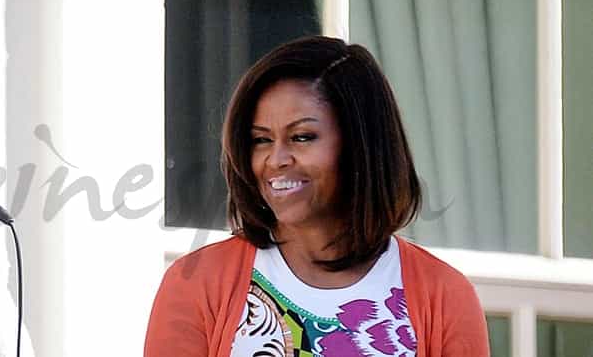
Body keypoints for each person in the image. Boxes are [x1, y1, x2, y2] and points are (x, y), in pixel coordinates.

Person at [144, 36, 490, 356]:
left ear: (361, 146)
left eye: (302, 137)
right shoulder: (196, 284)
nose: (275, 160)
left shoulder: (445, 297)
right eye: (261, 140)